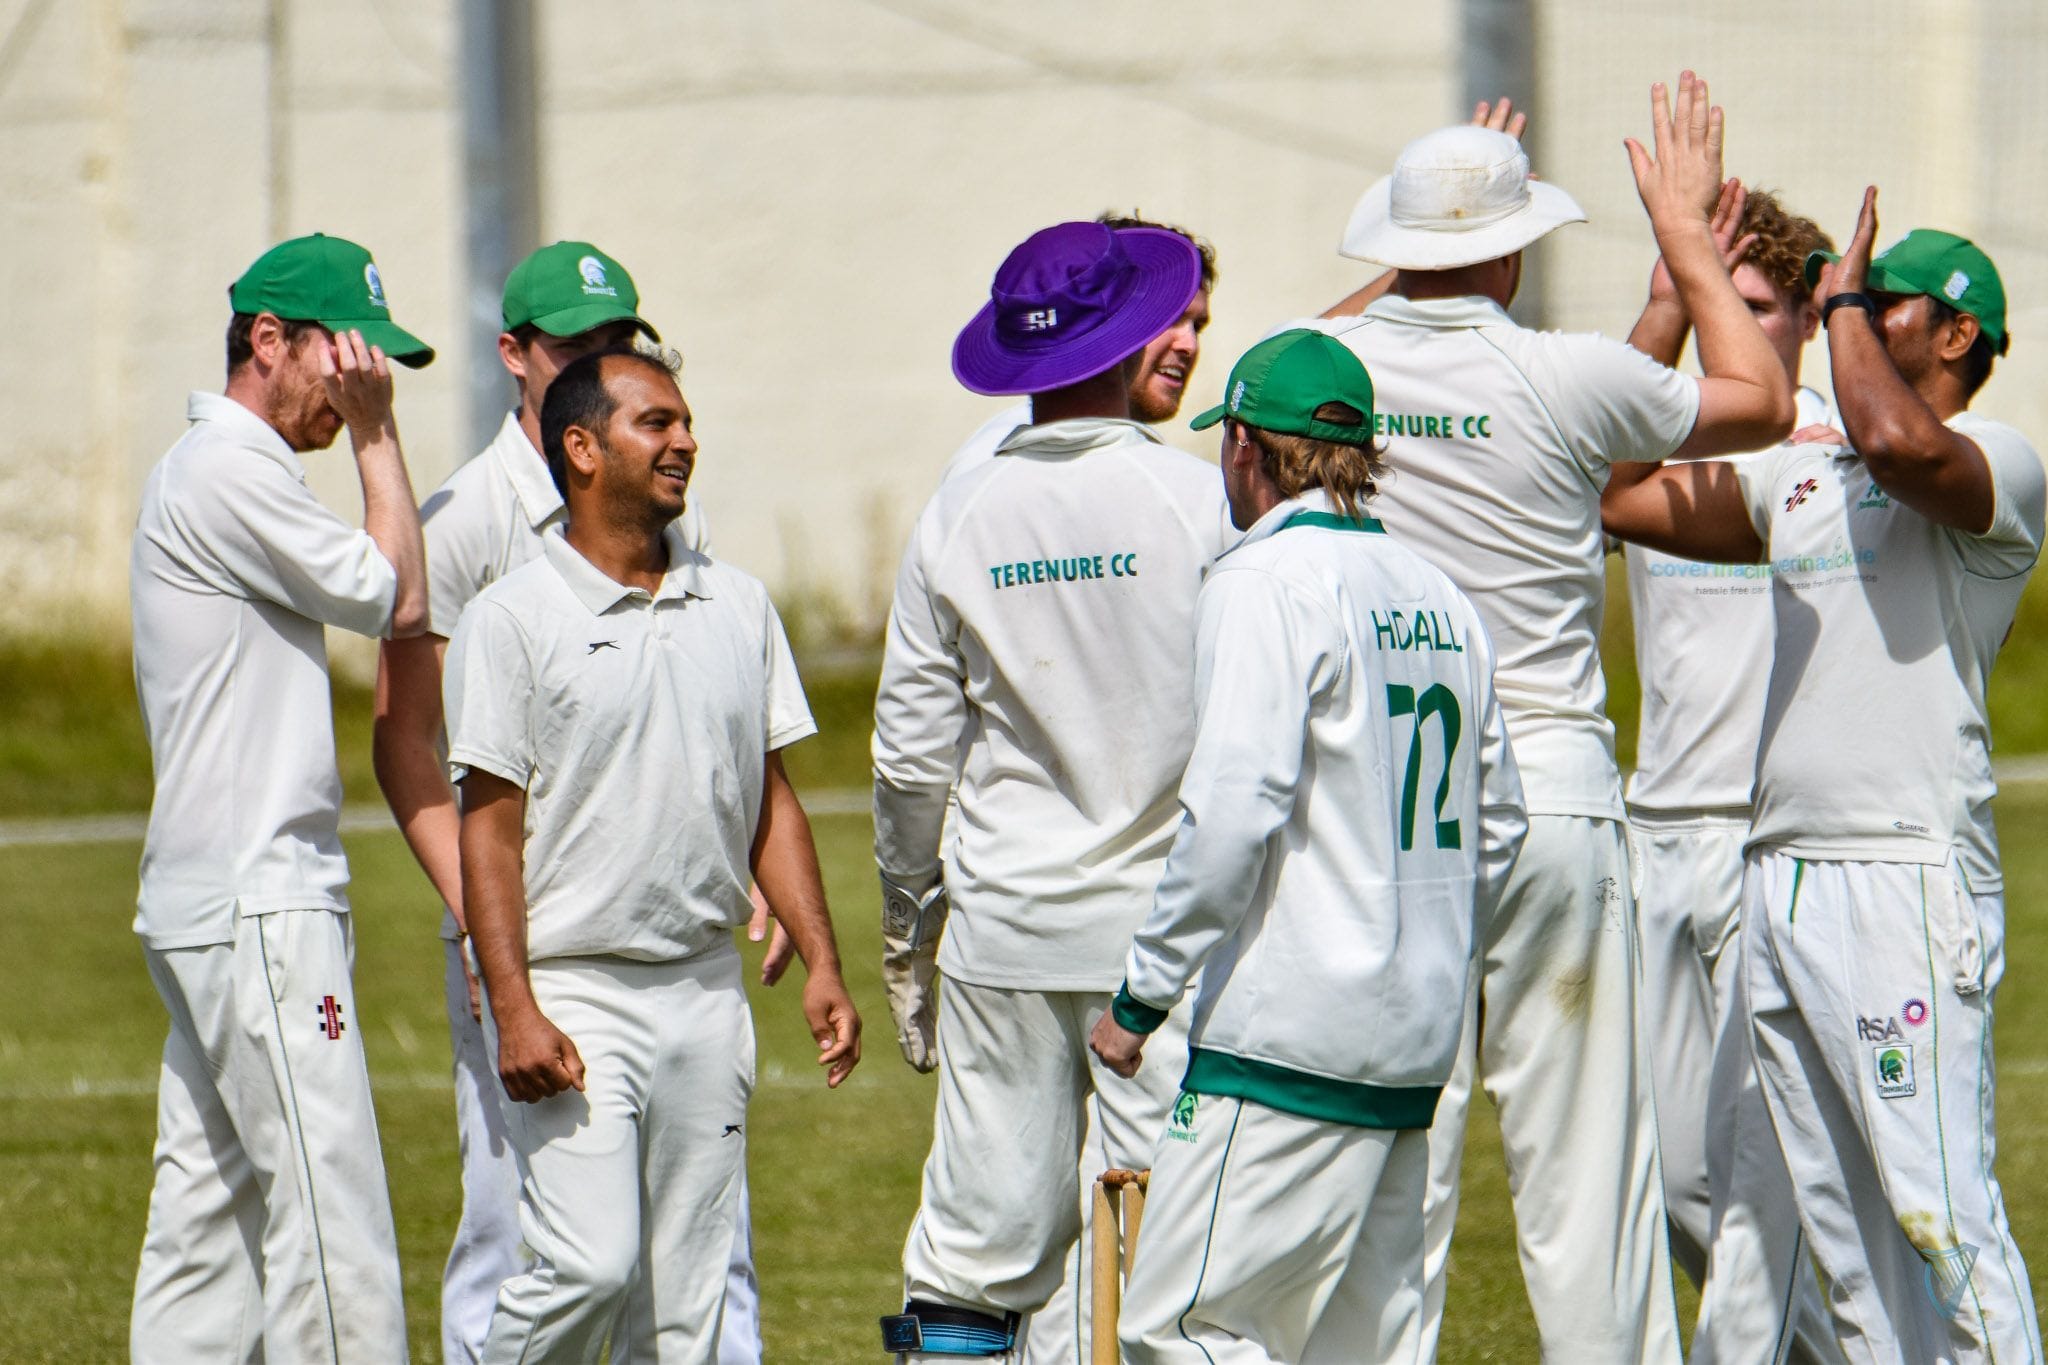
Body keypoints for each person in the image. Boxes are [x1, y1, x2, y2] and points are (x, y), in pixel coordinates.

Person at [1283, 74, 1796, 1359]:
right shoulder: (1564, 375)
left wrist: (1416, 252)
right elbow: (1761, 403)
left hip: (1384, 797)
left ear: (1397, 250)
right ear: (1512, 249)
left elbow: (1284, 356)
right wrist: (1679, 241)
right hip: (1555, 798)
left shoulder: (1326, 373)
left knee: (1397, 1141)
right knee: (1588, 1177)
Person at [1602, 192, 2043, 1362]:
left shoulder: (1994, 464)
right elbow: (1616, 488)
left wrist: (1830, 300)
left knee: (1936, 1214)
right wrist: (1668, 297)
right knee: (1844, 1243)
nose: (1856, 309)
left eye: (1881, 298)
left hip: (1899, 875)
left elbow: (1899, 445)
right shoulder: (1796, 477)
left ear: (1955, 337)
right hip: (1776, 874)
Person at [1088, 329, 1527, 1362]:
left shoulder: (1261, 579)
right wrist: (1417, 953)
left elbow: (1232, 808)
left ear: (1244, 445)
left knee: (1184, 1334)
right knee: (1358, 1350)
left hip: (1284, 1044)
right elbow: (1500, 827)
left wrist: (1138, 999)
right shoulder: (1438, 593)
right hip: (1414, 1042)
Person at [370, 240, 764, 1365]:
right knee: (518, 1232)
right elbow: (407, 744)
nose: (601, 363)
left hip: (662, 936)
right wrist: (496, 940)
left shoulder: (660, 497)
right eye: (574, 348)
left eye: (618, 343)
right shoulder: (464, 522)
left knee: (700, 1243)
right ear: (514, 356)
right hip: (523, 934)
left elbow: (706, 704)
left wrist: (749, 871)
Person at [445, 347, 862, 1362]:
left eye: (683, 422)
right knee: (587, 1265)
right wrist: (513, 1007)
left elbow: (770, 801)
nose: (683, 442)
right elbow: (487, 832)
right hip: (577, 995)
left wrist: (822, 962)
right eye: (655, 424)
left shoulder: (738, 605)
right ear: (581, 448)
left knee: (691, 1299)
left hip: (706, 995)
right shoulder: (511, 619)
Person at [873, 221, 1231, 1362]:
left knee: (975, 1262)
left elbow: (909, 759)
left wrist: (904, 928)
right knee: (1168, 1257)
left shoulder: (958, 511)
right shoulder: (1198, 502)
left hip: (1006, 934)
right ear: (1124, 342)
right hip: (1163, 945)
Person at [128, 231, 434, 1363]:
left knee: (204, 1233)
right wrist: (379, 435)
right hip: (261, 900)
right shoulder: (228, 469)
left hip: (213, 900)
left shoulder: (214, 472)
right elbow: (394, 598)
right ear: (269, 341)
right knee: (330, 1214)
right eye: (345, 360)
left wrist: (356, 418)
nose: (359, 384)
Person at [1619, 184, 1845, 1363]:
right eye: (1717, 296)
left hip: (1772, 846)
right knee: (1666, 1182)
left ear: (1807, 314)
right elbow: (1577, 461)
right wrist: (1665, 287)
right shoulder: (1662, 433)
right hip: (1653, 834)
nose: (1731, 322)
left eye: (1753, 303)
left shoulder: (1833, 444)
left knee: (1756, 1192)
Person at [939, 212, 1215, 484]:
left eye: (1197, 326)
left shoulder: (1154, 465)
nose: (1189, 345)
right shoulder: (989, 464)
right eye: (1169, 318)